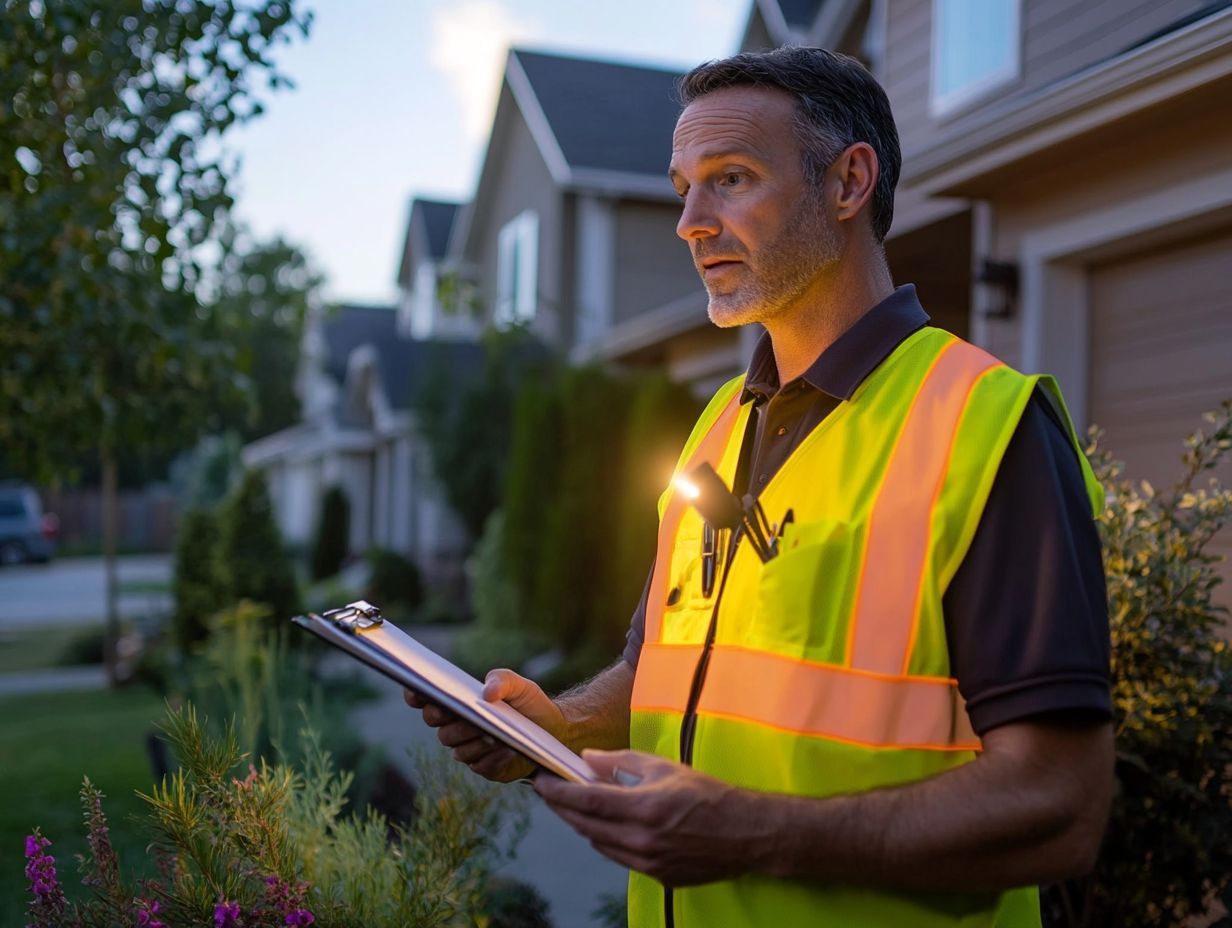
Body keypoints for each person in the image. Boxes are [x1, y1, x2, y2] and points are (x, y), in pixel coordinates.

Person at [406, 46, 1113, 927]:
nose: (690, 222)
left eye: (730, 179)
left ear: (849, 183)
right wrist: (555, 727)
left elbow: (1062, 807)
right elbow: (658, 668)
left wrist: (757, 837)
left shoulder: (986, 428)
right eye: (682, 189)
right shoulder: (715, 431)